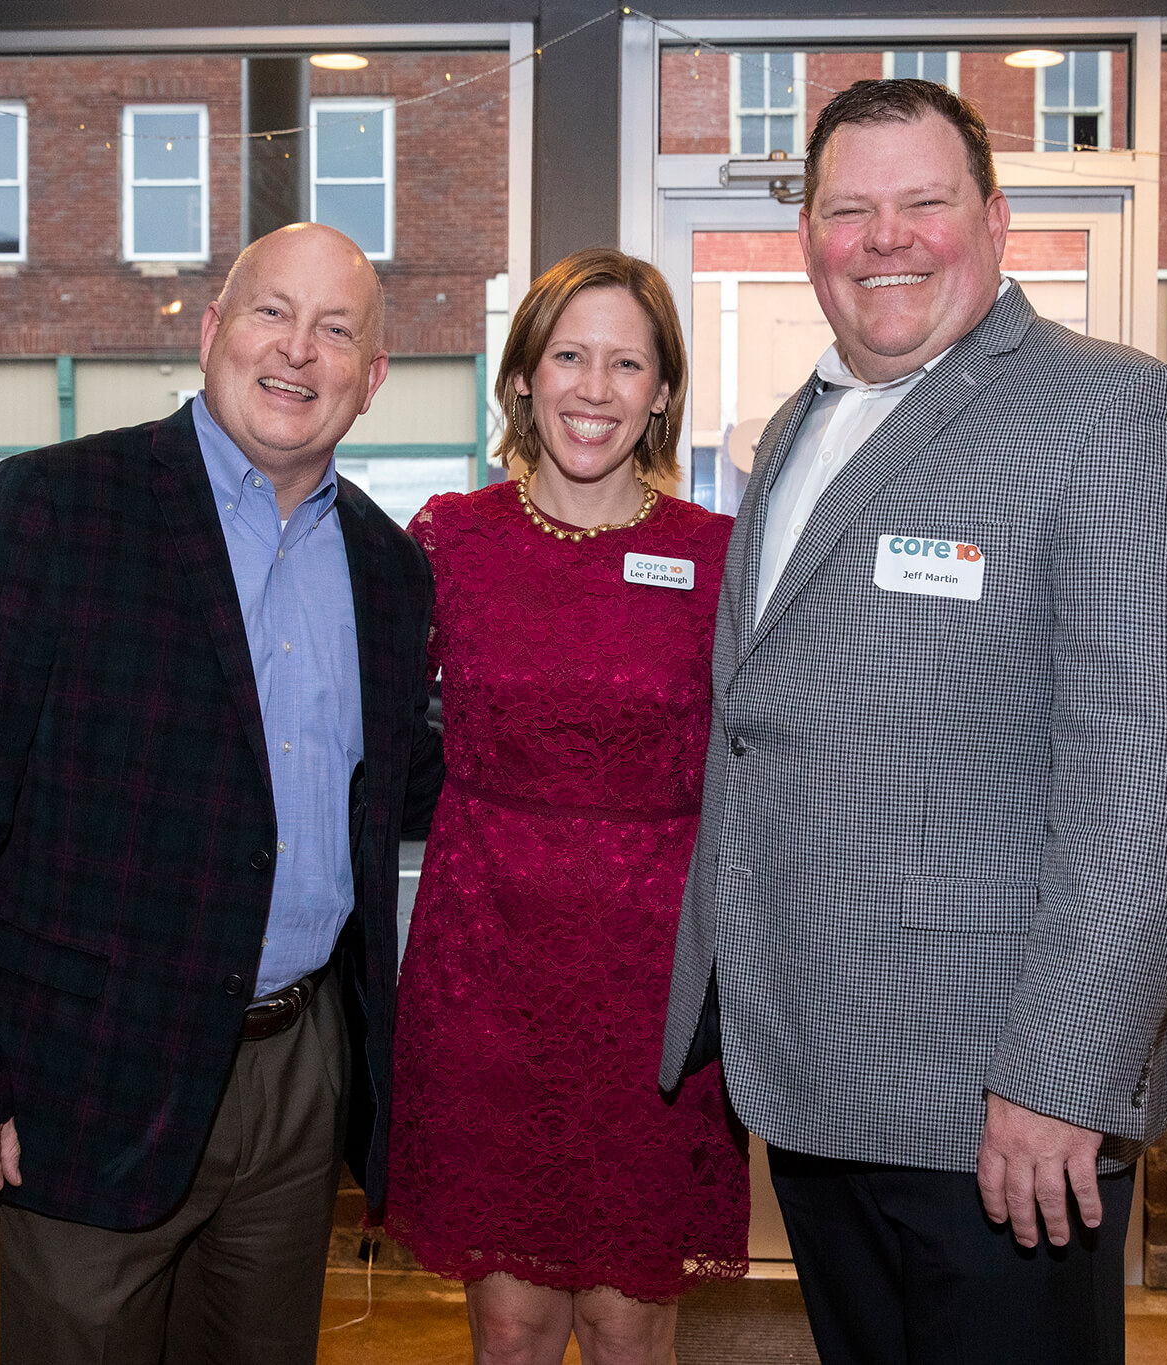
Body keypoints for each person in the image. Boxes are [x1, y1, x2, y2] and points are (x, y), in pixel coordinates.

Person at [658, 79, 1167, 1364]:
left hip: (999, 1107)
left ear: (992, 220)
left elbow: (1155, 786)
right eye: (848, 210)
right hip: (814, 1075)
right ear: (805, 238)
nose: (885, 238)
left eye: (923, 203)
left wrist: (1058, 1077)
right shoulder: (798, 424)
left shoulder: (1115, 416)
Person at [0, 222, 444, 1365]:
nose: (299, 351)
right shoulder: (49, 509)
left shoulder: (388, 568)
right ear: (211, 329)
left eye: (337, 331)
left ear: (372, 379)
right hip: (88, 1069)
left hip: (297, 1074)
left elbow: (386, 796)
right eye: (271, 312)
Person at [387, 248, 748, 1365]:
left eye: (625, 364)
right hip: (484, 971)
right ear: (522, 378)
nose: (594, 389)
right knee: (510, 1328)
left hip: (649, 988)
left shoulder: (718, 558)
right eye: (569, 357)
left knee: (628, 1327)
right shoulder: (450, 542)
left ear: (661, 392)